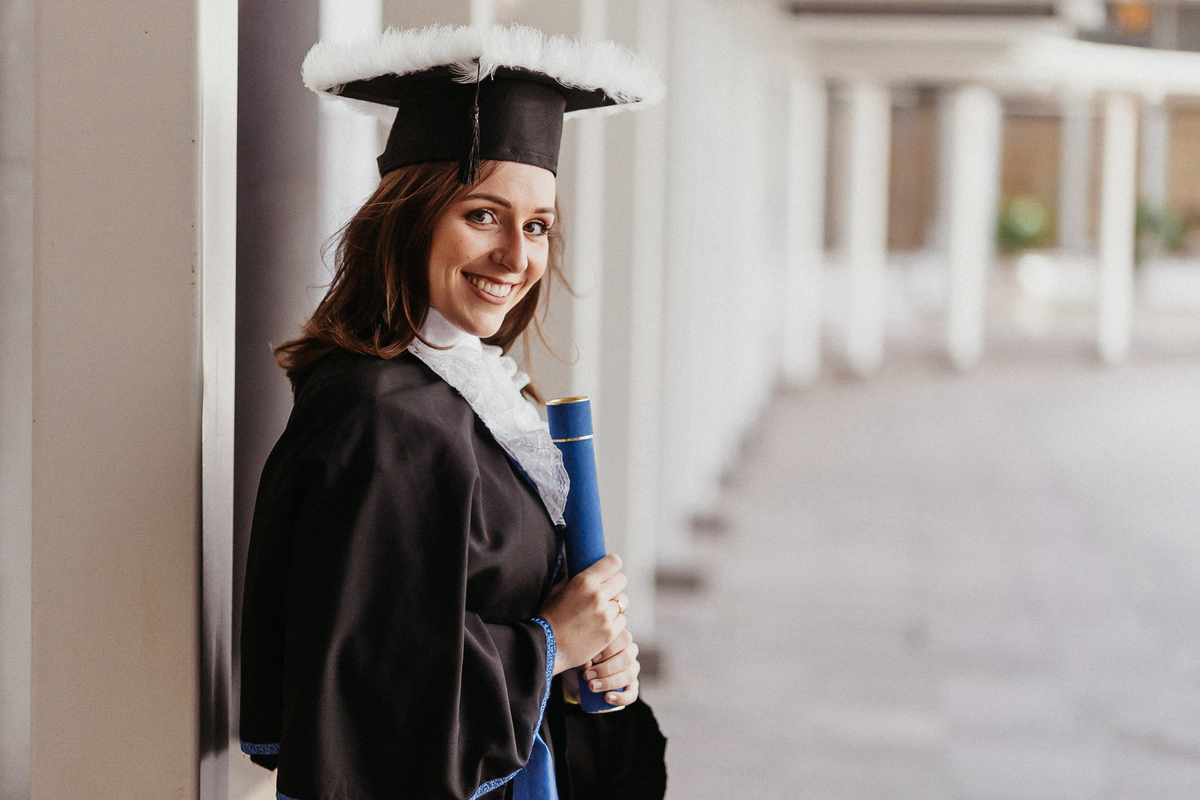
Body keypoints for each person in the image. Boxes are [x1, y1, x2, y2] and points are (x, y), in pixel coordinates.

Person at [238, 24, 667, 800]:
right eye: (483, 215)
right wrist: (551, 644)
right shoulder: (380, 418)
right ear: (411, 215)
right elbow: (368, 687)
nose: (517, 258)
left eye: (536, 226)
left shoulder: (468, 395)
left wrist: (585, 660)